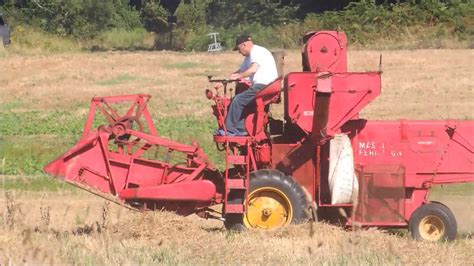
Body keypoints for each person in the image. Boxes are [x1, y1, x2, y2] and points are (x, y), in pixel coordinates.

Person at [216, 34, 278, 136]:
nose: (239, 52)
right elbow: (239, 72)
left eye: (239, 49)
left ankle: (229, 130)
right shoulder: (249, 56)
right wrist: (224, 82)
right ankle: (242, 128)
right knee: (241, 100)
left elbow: (252, 69)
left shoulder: (256, 51)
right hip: (264, 86)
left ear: (244, 45)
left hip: (265, 86)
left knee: (238, 100)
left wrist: (239, 76)